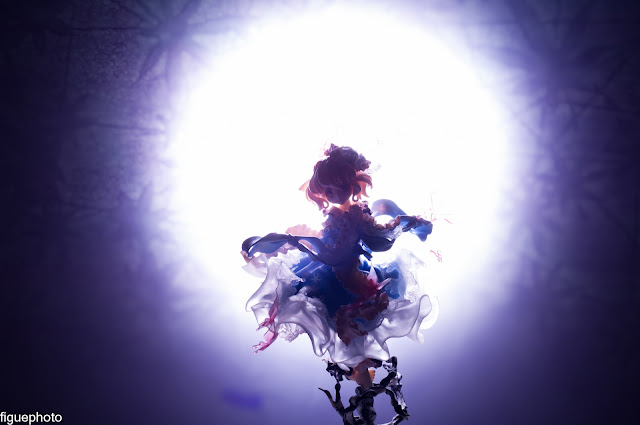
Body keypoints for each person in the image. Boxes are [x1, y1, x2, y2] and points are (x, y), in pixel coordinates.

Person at [241, 145, 436, 374]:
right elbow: (328, 249)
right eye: (324, 191)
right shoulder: (334, 216)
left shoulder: (358, 215)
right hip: (329, 270)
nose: (327, 195)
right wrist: (297, 242)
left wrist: (407, 224)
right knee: (298, 286)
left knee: (347, 319)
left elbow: (349, 249)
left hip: (351, 275)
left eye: (331, 189)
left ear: (350, 184)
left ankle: (362, 369)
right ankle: (359, 371)